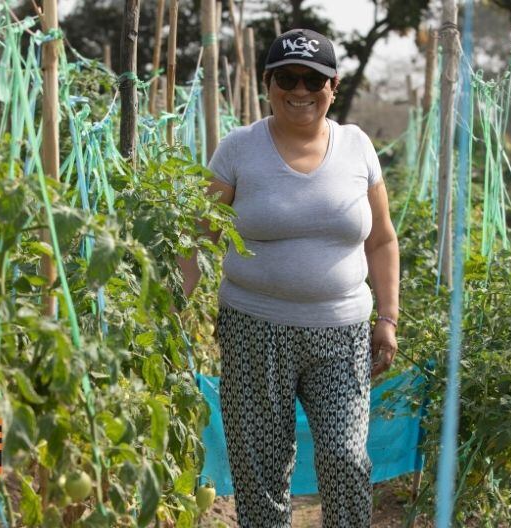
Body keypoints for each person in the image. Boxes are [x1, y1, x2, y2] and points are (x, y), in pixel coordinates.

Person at [179, 28, 400, 527]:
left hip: (342, 334)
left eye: (312, 80)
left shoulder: (358, 148)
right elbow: (198, 238)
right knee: (260, 470)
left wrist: (387, 316)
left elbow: (382, 240)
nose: (300, 91)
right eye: (287, 78)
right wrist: (170, 311)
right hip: (255, 331)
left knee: (347, 457)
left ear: (333, 87)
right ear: (267, 83)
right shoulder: (239, 150)